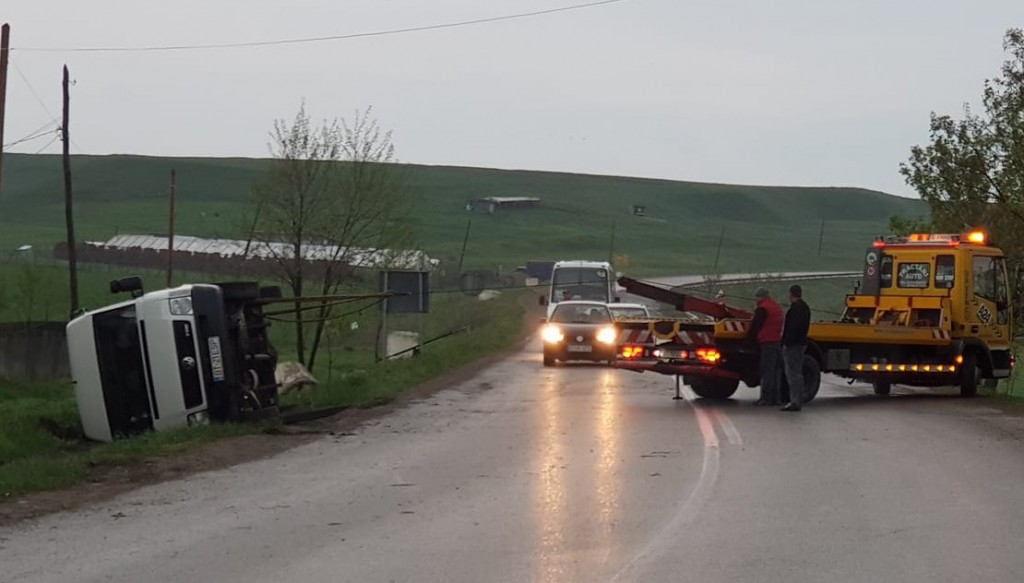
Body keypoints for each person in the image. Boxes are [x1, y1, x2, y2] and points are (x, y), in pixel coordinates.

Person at [746, 287, 784, 406]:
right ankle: (776, 398)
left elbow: (755, 326)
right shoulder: (776, 306)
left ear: (760, 297)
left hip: (767, 343)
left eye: (756, 297)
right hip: (777, 342)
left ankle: (766, 399)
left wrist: (748, 341)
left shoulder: (762, 308)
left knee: (767, 372)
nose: (755, 299)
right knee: (776, 372)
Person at [781, 284, 812, 412]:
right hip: (801, 343)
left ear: (791, 294)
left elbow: (792, 329)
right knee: (798, 373)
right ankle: (798, 399)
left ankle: (794, 401)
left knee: (792, 373)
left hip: (793, 345)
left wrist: (785, 342)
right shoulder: (805, 308)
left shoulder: (795, 309)